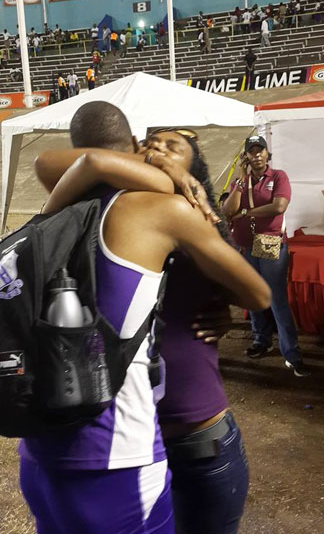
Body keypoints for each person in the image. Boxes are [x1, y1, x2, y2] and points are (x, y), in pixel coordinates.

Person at [35, 109, 271, 534]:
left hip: (196, 441)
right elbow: (60, 162)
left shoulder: (189, 220)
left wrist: (225, 307)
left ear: (194, 171)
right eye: (149, 145)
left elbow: (257, 294)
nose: (157, 151)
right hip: (134, 437)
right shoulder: (104, 211)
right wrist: (160, 170)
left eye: (171, 148)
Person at [223, 135, 310, 377]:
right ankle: (262, 341)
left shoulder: (278, 176)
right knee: (253, 294)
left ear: (267, 154)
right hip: (246, 247)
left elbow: (278, 206)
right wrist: (240, 181)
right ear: (246, 157)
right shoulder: (241, 182)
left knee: (276, 299)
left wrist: (247, 213)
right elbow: (228, 211)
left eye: (260, 150)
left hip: (271, 244)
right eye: (252, 151)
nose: (257, 155)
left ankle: (292, 354)